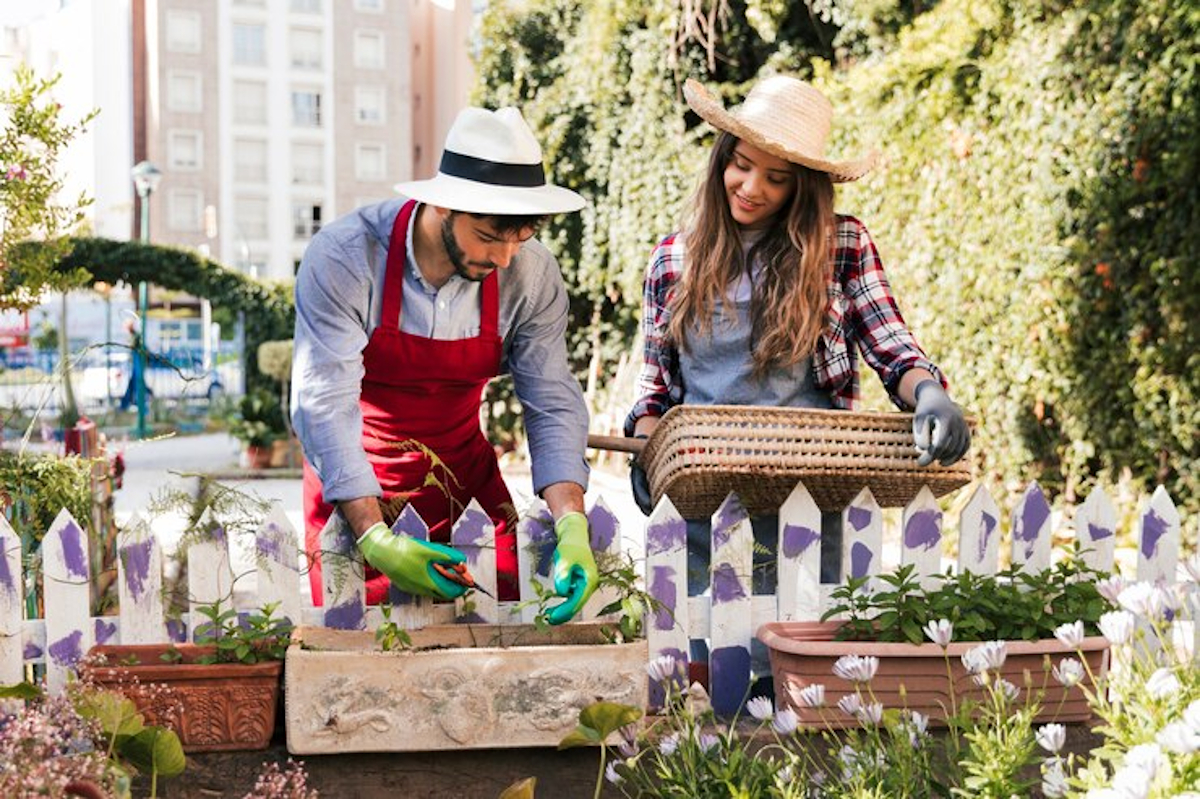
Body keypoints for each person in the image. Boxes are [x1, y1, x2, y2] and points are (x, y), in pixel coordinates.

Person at [625, 75, 970, 612]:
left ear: (802, 186)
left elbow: (889, 342)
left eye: (776, 177)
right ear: (721, 159)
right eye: (740, 164)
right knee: (702, 651)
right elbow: (655, 385)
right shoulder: (675, 258)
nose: (750, 186)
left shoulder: (841, 245)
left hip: (808, 487)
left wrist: (928, 392)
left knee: (804, 647)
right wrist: (646, 450)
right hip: (703, 490)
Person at [292, 106, 598, 625]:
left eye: (518, 239)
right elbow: (324, 403)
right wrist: (373, 536)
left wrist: (571, 523)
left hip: (466, 485)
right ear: (440, 204)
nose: (504, 258)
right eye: (489, 236)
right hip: (358, 487)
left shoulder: (532, 272)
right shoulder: (345, 258)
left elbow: (550, 399)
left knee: (499, 637)